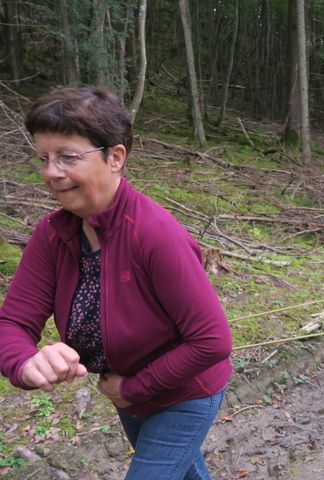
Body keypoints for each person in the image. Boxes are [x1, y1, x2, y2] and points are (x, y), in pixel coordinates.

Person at [0, 87, 232, 479]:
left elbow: (212, 341)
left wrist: (133, 389)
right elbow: (13, 324)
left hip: (184, 395)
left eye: (68, 157)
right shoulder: (53, 235)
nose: (52, 172)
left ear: (115, 157)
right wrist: (25, 362)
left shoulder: (154, 234)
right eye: (44, 158)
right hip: (127, 396)